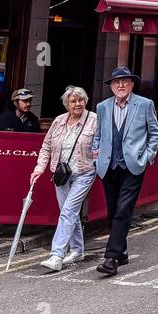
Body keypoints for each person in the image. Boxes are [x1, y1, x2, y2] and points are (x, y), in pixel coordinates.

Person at [91, 67, 158, 277]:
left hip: (133, 166)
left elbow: (154, 133)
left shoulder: (144, 104)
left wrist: (147, 156)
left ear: (131, 84)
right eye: (116, 82)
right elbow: (98, 136)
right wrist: (96, 158)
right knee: (113, 212)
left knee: (123, 210)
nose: (120, 85)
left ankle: (111, 258)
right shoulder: (102, 107)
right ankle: (121, 252)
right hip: (108, 166)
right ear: (111, 86)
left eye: (125, 81)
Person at [32, 86, 98, 272]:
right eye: (73, 101)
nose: (78, 104)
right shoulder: (59, 121)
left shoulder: (94, 120)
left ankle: (57, 255)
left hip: (84, 173)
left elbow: (102, 146)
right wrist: (39, 169)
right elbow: (46, 147)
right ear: (66, 104)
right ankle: (77, 250)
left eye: (81, 100)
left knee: (68, 211)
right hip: (61, 175)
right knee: (69, 212)